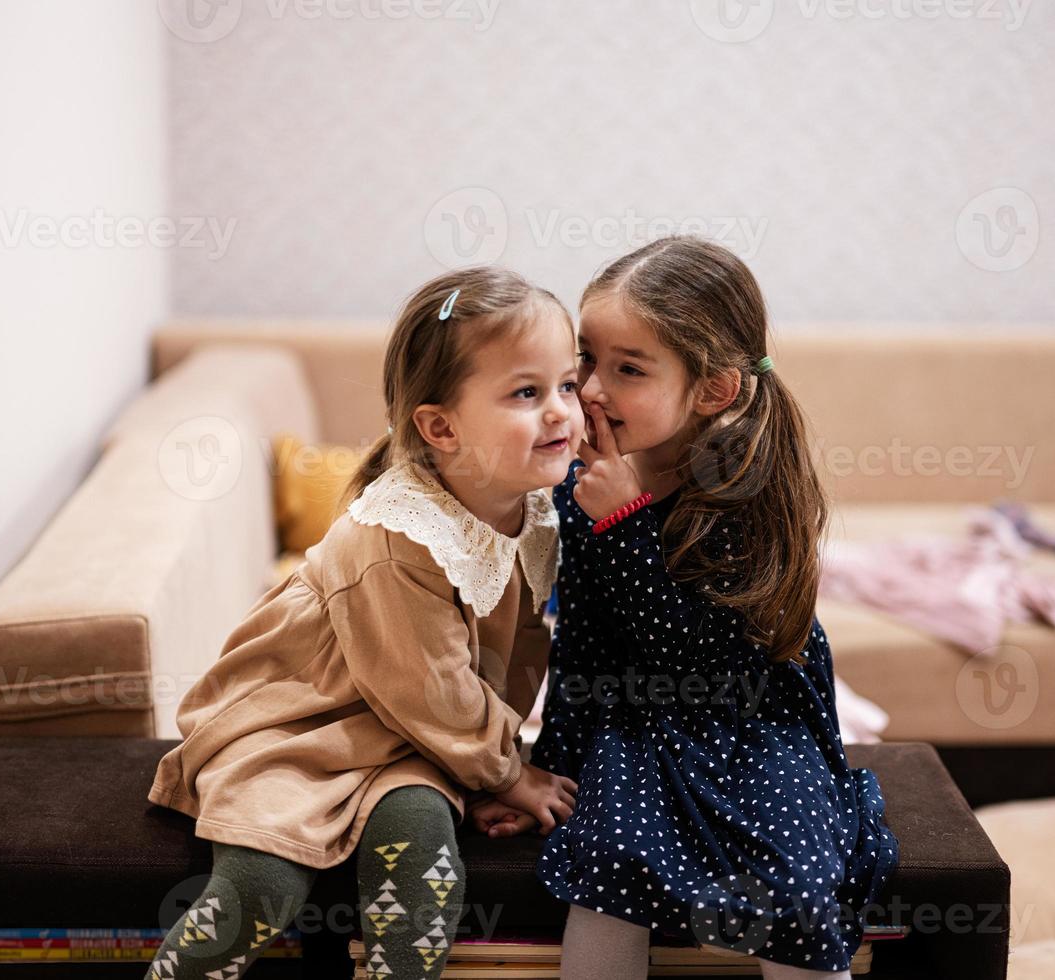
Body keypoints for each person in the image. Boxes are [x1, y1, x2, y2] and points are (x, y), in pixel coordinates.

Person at [470, 237, 900, 979]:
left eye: (628, 370)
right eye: (588, 361)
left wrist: (627, 521)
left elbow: (701, 653)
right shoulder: (585, 486)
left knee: (800, 877)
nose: (592, 391)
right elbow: (588, 642)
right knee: (605, 865)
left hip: (756, 715)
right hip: (641, 717)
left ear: (715, 390)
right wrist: (548, 770)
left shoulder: (751, 487)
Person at [144, 265, 582, 980]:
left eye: (567, 384)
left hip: (414, 742)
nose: (563, 411)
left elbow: (512, 656)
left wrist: (484, 776)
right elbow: (430, 685)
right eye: (527, 393)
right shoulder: (397, 538)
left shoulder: (531, 505)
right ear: (440, 427)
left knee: (425, 874)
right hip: (304, 723)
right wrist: (509, 772)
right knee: (262, 885)